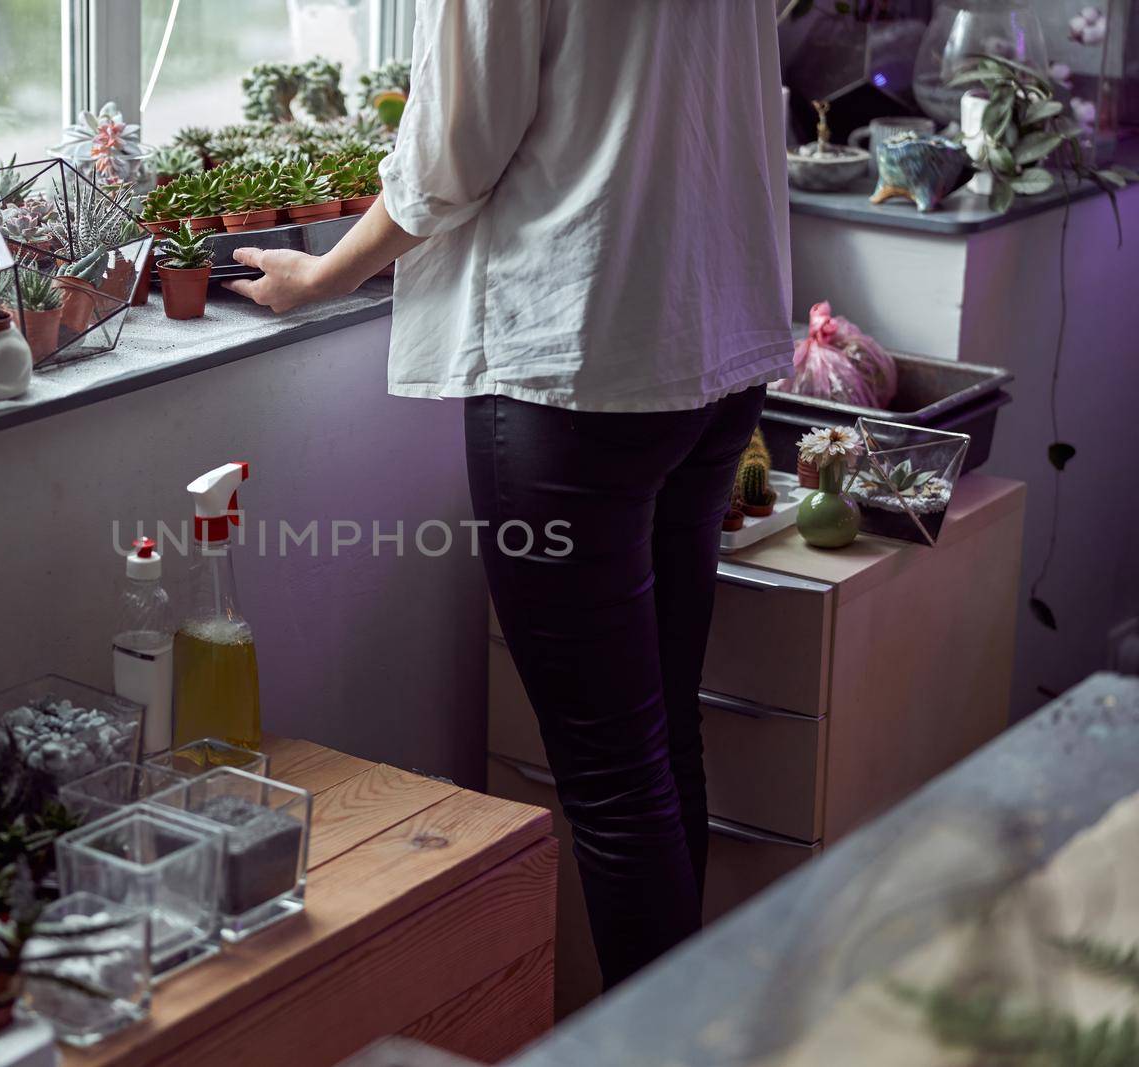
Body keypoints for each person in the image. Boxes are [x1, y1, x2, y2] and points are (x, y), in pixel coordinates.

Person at [227, 1, 793, 990]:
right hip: (711, 344)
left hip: (578, 361)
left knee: (615, 781)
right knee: (661, 740)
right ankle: (684, 1033)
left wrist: (320, 275)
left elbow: (450, 153)